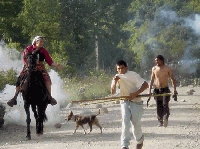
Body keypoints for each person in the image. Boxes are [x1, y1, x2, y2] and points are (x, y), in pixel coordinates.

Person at [7, 36, 62, 107]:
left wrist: (56, 65)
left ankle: (49, 97)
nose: (42, 43)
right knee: (19, 80)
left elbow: (50, 62)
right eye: (41, 41)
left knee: (47, 80)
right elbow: (24, 59)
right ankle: (14, 98)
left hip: (40, 68)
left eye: (43, 41)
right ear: (36, 42)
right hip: (29, 67)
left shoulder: (44, 51)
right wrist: (29, 65)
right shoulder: (28, 49)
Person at [111, 60, 148, 149]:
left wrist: (135, 94)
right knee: (125, 122)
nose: (120, 70)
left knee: (135, 123)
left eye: (122, 68)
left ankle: (139, 140)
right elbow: (112, 92)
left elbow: (145, 85)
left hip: (136, 102)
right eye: (118, 69)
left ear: (126, 67)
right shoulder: (116, 77)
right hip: (124, 101)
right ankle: (125, 145)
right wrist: (115, 82)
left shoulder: (133, 75)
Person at [149, 55, 178, 127]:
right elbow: (152, 80)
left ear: (162, 60)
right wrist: (149, 90)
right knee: (158, 105)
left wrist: (174, 90)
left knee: (165, 104)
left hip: (165, 89)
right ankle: (160, 121)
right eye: (155, 60)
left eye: (158, 60)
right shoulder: (154, 68)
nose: (156, 62)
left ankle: (165, 117)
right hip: (157, 90)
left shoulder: (167, 68)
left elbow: (172, 79)